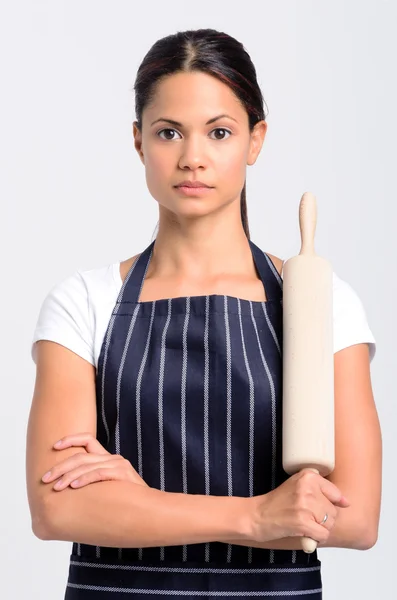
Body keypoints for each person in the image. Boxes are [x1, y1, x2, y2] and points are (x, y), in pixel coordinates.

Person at [26, 28, 382, 599]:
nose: (193, 158)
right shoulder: (83, 302)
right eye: (169, 132)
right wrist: (259, 515)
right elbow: (56, 510)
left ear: (255, 140)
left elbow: (357, 517)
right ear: (139, 141)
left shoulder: (320, 300)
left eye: (219, 132)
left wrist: (138, 503)